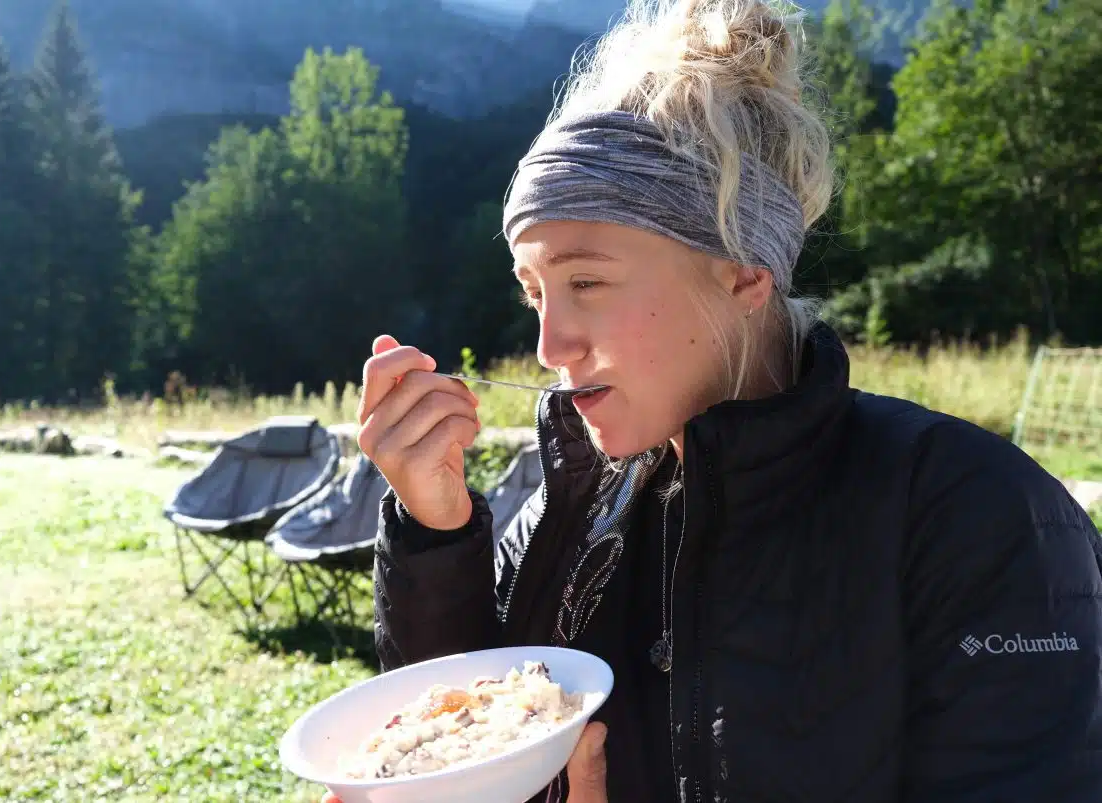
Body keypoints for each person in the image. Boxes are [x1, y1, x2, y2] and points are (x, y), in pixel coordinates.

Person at [326, 0, 1102, 800]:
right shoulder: (571, 512)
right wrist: (435, 528)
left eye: (586, 281)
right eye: (535, 294)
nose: (549, 347)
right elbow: (461, 739)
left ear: (743, 274)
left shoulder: (976, 517)